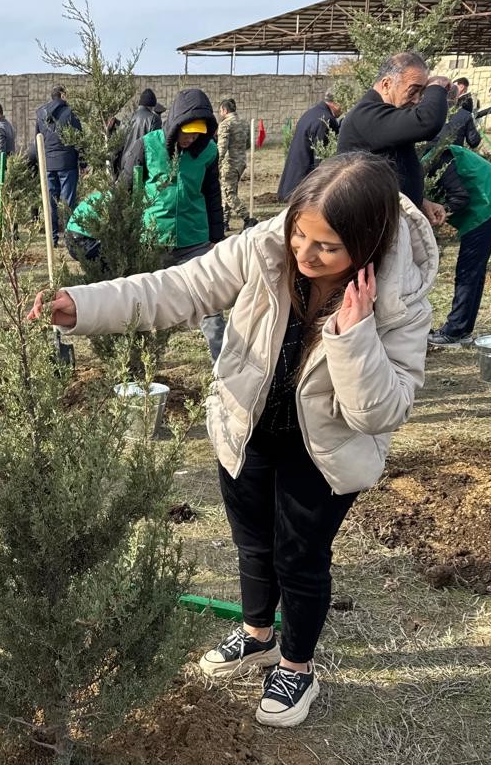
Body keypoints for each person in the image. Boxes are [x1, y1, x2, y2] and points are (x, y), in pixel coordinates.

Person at [30, 153, 434, 727]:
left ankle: (296, 666)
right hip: (247, 427)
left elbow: (382, 411)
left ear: (366, 246)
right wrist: (84, 304)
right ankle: (257, 636)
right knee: (253, 544)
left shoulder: (400, 299)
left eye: (327, 247)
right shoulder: (264, 248)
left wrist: (354, 334)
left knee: (300, 559)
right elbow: (178, 287)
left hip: (326, 452)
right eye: (300, 233)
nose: (305, 253)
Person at [117, 88, 227, 357]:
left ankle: (223, 368)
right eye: (186, 131)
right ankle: (137, 365)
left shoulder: (208, 152)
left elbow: (213, 194)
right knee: (143, 305)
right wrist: (124, 232)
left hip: (195, 240)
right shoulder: (147, 145)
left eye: (197, 133)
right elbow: (124, 188)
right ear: (175, 124)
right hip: (153, 239)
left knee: (211, 307)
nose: (190, 138)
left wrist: (216, 237)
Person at [337, 52, 449, 223]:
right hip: (370, 223)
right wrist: (437, 86)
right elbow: (427, 122)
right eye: (413, 91)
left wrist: (419, 202)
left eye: (422, 92)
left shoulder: (382, 114)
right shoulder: (367, 115)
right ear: (387, 84)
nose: (417, 100)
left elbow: (397, 165)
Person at [424, 145, 491, 348]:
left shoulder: (436, 158)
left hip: (488, 204)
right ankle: (462, 330)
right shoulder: (434, 154)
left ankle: (454, 332)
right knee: (473, 271)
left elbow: (460, 197)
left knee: (468, 271)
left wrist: (440, 211)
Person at [34, 86, 81, 245]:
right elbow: (78, 139)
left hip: (48, 163)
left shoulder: (40, 113)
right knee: (68, 203)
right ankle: (69, 240)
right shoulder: (71, 112)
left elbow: (38, 139)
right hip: (67, 163)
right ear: (62, 96)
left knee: (50, 203)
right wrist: (83, 163)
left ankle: (52, 238)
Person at [277, 93, 340, 201]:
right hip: (304, 186)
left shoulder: (312, 113)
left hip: (293, 180)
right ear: (336, 103)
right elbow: (321, 158)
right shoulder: (325, 120)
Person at [217, 98, 251, 229]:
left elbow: (222, 148)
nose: (220, 114)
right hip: (240, 162)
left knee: (228, 193)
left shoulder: (225, 124)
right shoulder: (244, 123)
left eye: (220, 111)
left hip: (229, 163)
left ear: (224, 110)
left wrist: (216, 164)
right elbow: (247, 144)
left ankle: (247, 218)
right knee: (229, 191)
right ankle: (224, 222)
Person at [118, 87, 164, 177]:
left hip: (124, 165)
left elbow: (118, 145)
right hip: (140, 165)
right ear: (152, 106)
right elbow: (154, 147)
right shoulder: (154, 119)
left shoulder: (126, 118)